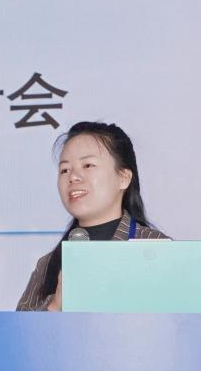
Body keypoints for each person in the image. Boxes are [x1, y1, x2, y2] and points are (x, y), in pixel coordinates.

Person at [16, 121, 168, 311]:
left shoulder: (157, 249)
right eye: (65, 170)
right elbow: (14, 328)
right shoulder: (48, 264)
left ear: (123, 178)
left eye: (87, 165)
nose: (73, 177)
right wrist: (55, 306)